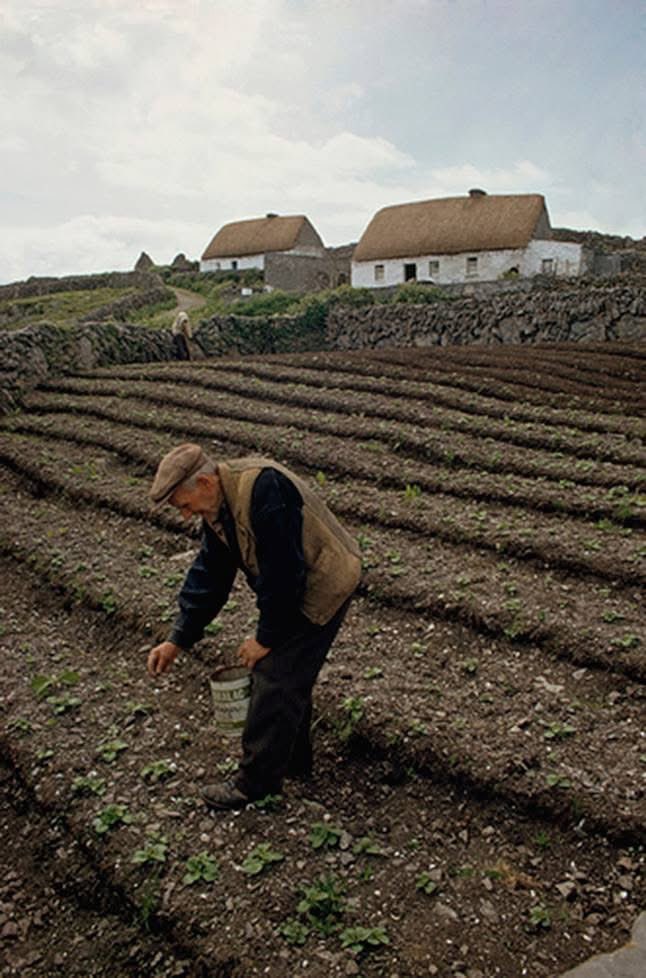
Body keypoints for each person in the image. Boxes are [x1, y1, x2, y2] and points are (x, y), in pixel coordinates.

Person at [146, 444, 361, 810]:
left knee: (274, 673)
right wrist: (177, 639)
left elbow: (284, 575)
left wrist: (265, 638)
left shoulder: (265, 490)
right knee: (288, 674)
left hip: (324, 580)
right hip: (296, 581)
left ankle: (255, 784)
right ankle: (293, 761)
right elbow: (209, 575)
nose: (185, 515)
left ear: (204, 482)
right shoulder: (219, 510)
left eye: (184, 504)